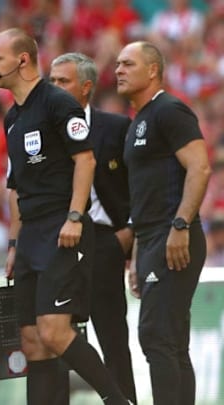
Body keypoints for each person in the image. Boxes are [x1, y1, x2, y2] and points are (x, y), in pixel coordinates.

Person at [0, 28, 129, 405]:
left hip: (60, 227)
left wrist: (75, 217)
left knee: (54, 331)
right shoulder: (12, 118)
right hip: (31, 233)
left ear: (22, 60)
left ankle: (118, 400)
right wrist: (15, 243)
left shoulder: (56, 103)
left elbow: (86, 160)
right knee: (33, 341)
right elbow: (15, 187)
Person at [116, 41, 211, 405]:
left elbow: (200, 167)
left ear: (153, 70)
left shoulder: (170, 111)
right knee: (170, 340)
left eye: (128, 63)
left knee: (156, 336)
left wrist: (181, 226)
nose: (118, 70)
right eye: (118, 64)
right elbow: (146, 193)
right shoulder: (138, 121)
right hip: (153, 238)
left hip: (174, 235)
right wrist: (140, 248)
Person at [49, 52, 137, 404]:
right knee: (53, 332)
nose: (54, 88)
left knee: (112, 333)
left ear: (86, 88)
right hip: (57, 243)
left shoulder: (116, 127)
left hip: (104, 239)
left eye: (63, 81)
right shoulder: (44, 132)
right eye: (51, 81)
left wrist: (131, 230)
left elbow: (141, 182)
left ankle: (124, 400)